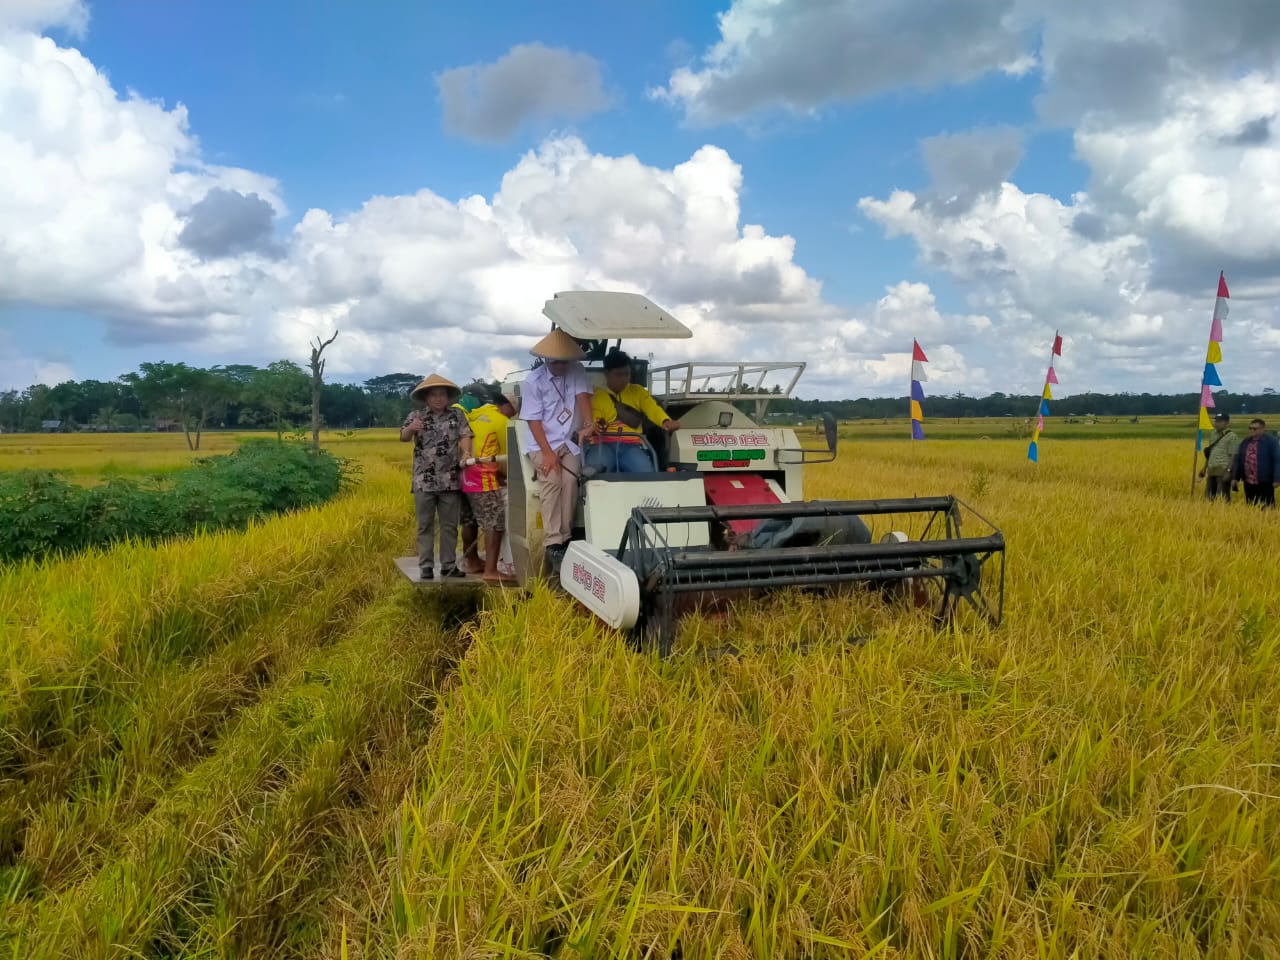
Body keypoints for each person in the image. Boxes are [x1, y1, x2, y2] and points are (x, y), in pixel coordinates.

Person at [519, 328, 597, 574]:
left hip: (569, 441)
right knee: (551, 481)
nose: (561, 366)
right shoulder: (533, 381)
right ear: (546, 360)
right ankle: (553, 541)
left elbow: (583, 398)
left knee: (571, 482)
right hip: (542, 443)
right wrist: (549, 454)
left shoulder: (577, 370)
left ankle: (566, 536)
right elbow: (533, 421)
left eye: (565, 361)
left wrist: (588, 424)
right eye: (556, 362)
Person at [400, 374, 473, 579]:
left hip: (450, 479)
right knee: (425, 525)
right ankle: (426, 566)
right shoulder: (416, 416)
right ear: (426, 398)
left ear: (448, 397)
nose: (438, 399)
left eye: (442, 395)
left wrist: (466, 453)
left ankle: (449, 565)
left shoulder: (457, 416)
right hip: (424, 481)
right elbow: (403, 437)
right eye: (434, 395)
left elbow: (465, 435)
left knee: (449, 526)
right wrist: (410, 428)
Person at [586, 348, 680, 473]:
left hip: (631, 446)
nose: (624, 379)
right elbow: (595, 418)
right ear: (606, 373)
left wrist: (665, 421)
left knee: (647, 475)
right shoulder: (596, 394)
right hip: (602, 446)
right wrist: (597, 425)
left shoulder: (638, 391)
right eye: (618, 375)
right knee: (593, 475)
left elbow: (652, 408)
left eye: (627, 374)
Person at [461, 388, 516, 584]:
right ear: (505, 406)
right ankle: (491, 570)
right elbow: (511, 457)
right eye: (513, 411)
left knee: (470, 520)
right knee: (496, 523)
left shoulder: (476, 415)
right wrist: (508, 477)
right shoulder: (502, 421)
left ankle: (472, 560)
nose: (513, 415)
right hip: (483, 477)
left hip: (465, 474)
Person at [1232, 417, 1280, 508]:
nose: (1252, 430)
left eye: (1255, 429)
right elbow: (1238, 460)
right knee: (1251, 506)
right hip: (1248, 481)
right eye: (1250, 428)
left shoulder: (1271, 442)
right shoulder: (1245, 442)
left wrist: (1277, 479)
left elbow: (1277, 460)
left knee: (1267, 506)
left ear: (1263, 429)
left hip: (1265, 480)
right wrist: (1235, 477)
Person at [1198, 412, 1240, 502]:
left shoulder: (1232, 436)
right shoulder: (1213, 434)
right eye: (1216, 421)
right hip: (1212, 469)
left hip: (1223, 471)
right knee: (1209, 497)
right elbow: (1210, 453)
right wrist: (1204, 468)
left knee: (1222, 497)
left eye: (1220, 421)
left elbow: (1233, 455)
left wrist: (1228, 471)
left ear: (1227, 423)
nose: (1217, 423)